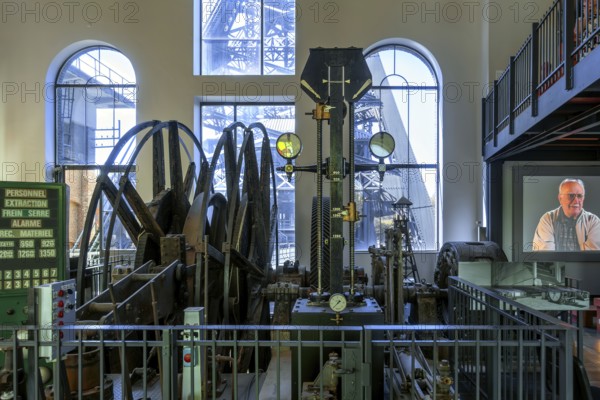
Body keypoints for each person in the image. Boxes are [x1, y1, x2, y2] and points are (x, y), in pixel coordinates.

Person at [532, 178, 600, 251]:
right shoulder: (548, 219)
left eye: (580, 196)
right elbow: (545, 256)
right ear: (560, 198)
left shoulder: (593, 222)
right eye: (571, 196)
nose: (576, 201)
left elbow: (591, 259)